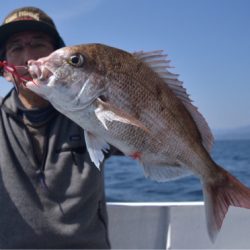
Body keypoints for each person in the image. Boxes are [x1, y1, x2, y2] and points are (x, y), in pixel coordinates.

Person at [0, 6, 114, 249]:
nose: (28, 57)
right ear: (4, 68)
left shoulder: (92, 107)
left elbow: (151, 146)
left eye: (39, 44)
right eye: (16, 47)